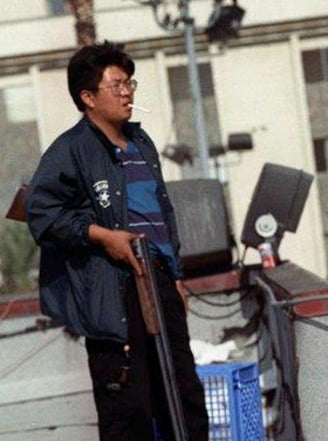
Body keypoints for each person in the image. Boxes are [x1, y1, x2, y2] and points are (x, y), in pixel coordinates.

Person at [25, 41, 209, 441]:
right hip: (113, 290)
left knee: (185, 399)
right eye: (116, 85)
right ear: (87, 97)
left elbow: (164, 217)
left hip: (158, 281)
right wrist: (103, 236)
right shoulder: (70, 150)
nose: (127, 93)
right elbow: (40, 213)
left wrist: (175, 276)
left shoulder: (142, 144)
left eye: (130, 83)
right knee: (128, 409)